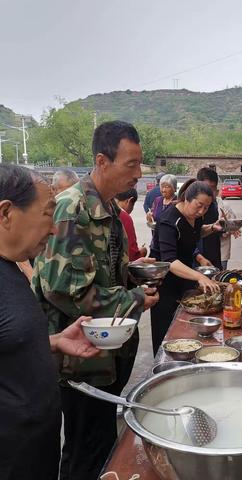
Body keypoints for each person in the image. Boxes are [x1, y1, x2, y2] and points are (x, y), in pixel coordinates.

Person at [32, 121, 159, 480]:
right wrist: (135, 297)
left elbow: (96, 272)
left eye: (140, 164)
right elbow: (67, 290)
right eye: (131, 164)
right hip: (81, 362)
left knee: (99, 443)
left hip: (107, 356)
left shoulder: (109, 211)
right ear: (102, 161)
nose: (138, 173)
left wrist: (133, 271)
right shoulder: (73, 210)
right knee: (85, 452)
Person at [0, 164, 99, 480]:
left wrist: (53, 342)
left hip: (35, 452)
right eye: (47, 214)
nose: (55, 228)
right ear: (6, 214)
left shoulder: (12, 266)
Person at [149, 180, 222, 354]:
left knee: (187, 329)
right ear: (187, 198)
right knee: (165, 334)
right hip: (164, 284)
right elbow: (170, 262)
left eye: (206, 207)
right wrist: (200, 276)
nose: (202, 211)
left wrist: (212, 228)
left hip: (183, 279)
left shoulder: (195, 217)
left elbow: (192, 234)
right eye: (199, 205)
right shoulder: (168, 220)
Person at [195, 167, 222, 269]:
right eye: (206, 188)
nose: (209, 192)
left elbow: (215, 230)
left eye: (212, 188)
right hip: (195, 258)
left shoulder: (213, 205)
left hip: (212, 254)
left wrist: (225, 227)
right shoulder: (189, 206)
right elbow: (188, 235)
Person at [116, 188, 147, 261]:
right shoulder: (124, 217)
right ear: (129, 201)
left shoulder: (106, 208)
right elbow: (131, 253)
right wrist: (141, 252)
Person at [217, 196, 240, 270]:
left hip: (222, 249)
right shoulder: (201, 206)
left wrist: (231, 229)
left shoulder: (224, 206)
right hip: (203, 252)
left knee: (221, 276)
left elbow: (233, 224)